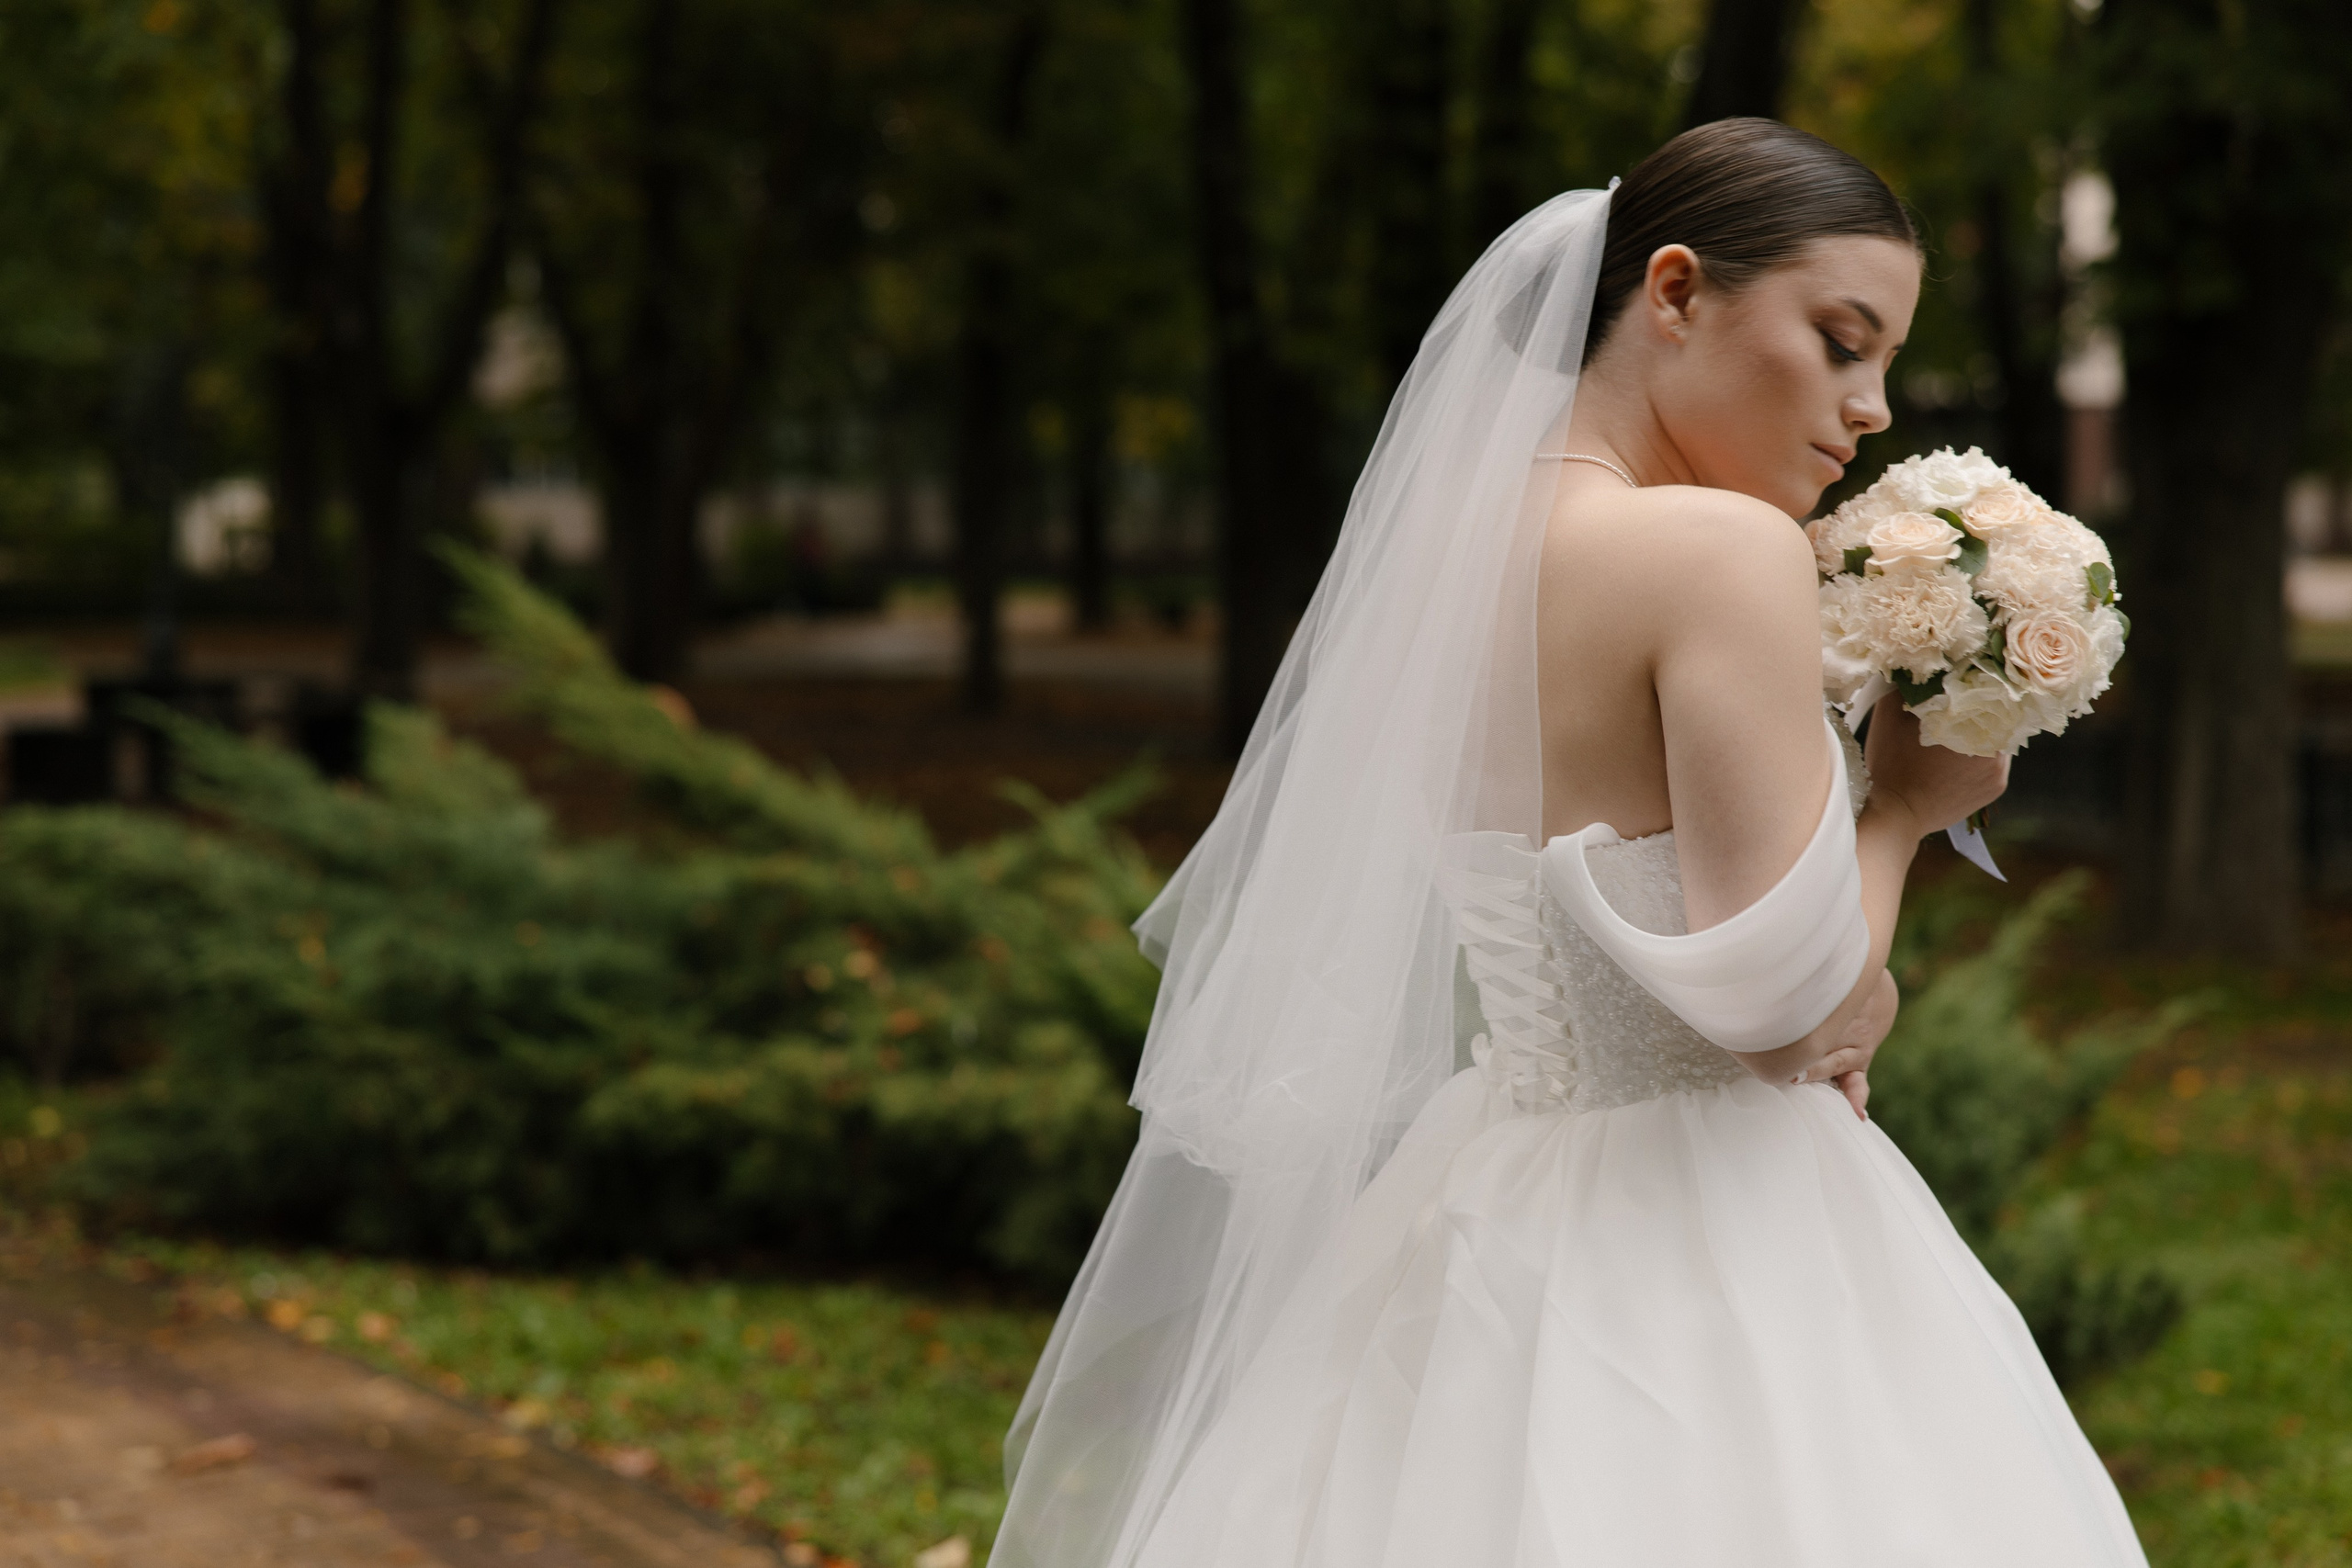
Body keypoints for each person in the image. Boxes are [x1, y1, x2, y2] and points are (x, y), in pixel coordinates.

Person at [996, 119, 2149, 1567]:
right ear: (1673, 291)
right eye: (1841, 341)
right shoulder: (1718, 555)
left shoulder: (1438, 558)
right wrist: (1912, 810)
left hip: (1486, 1189)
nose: (1870, 408)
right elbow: (1781, 1014)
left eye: (1886, 364)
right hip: (1707, 1228)